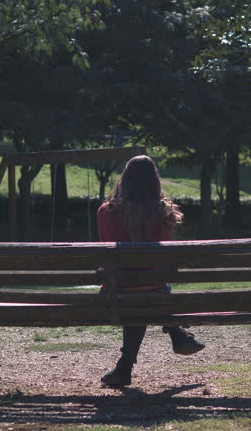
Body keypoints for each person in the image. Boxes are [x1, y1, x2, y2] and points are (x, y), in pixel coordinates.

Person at [97, 155, 205, 387]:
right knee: (151, 291)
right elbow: (163, 259)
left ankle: (124, 369)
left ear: (124, 179)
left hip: (116, 291)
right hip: (154, 291)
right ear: (154, 181)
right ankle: (177, 335)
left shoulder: (106, 212)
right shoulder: (163, 213)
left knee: (138, 295)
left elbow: (104, 246)